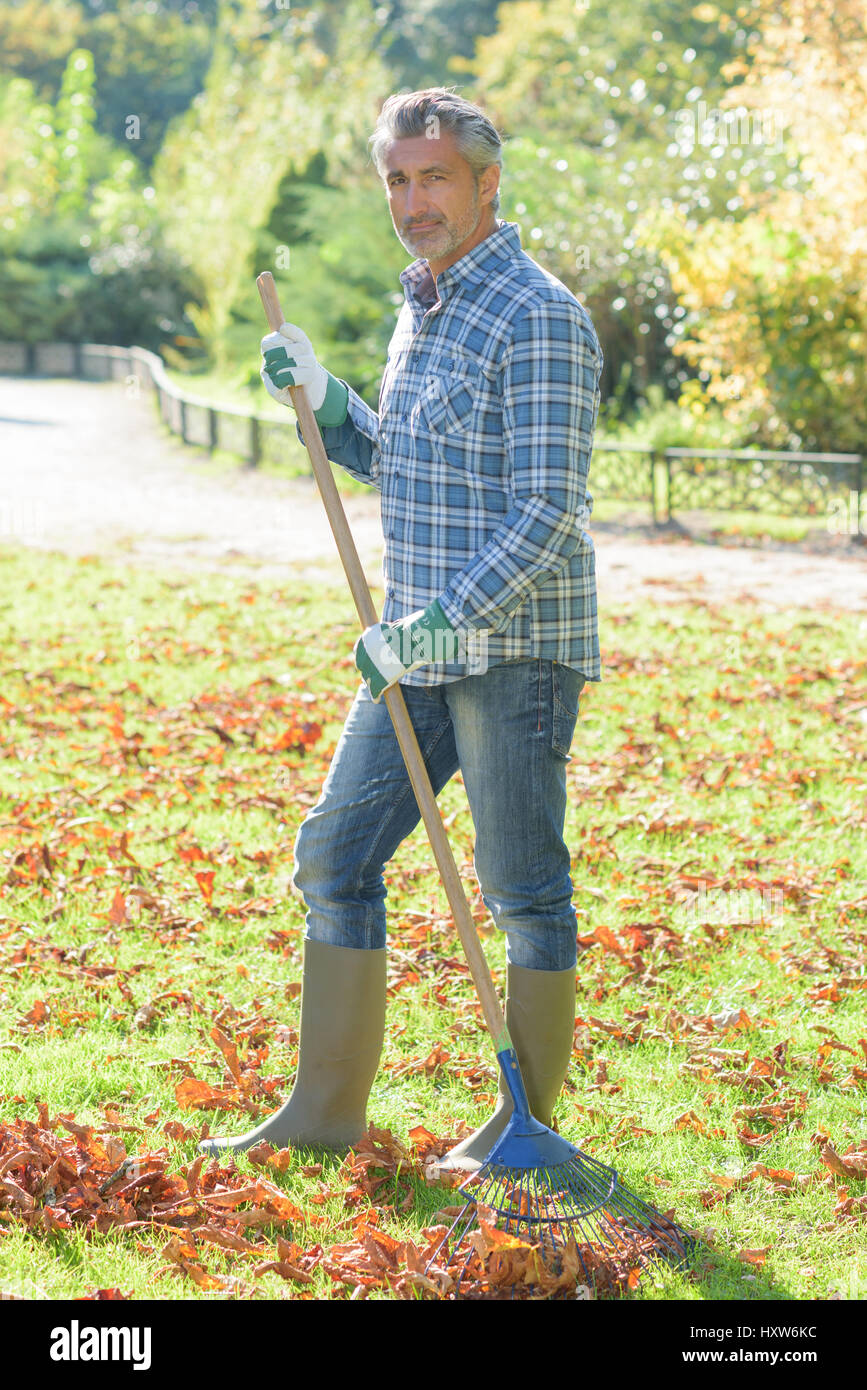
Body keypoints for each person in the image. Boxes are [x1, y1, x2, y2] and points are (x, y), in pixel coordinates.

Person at [199, 88, 603, 1169]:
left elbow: (547, 513)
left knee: (524, 893)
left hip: (509, 651)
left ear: (486, 182)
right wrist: (331, 405)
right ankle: (326, 1111)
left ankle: (526, 1132)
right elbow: (410, 466)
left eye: (434, 177)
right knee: (335, 856)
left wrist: (433, 629)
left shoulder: (538, 313)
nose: (414, 200)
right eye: (397, 178)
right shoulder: (421, 304)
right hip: (412, 649)